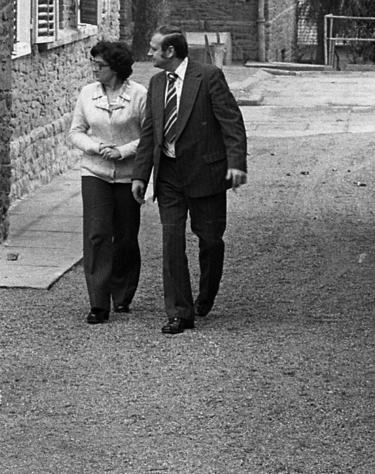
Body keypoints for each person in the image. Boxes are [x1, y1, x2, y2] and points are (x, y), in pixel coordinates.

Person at [131, 28, 248, 335]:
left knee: (210, 240)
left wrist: (236, 164)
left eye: (154, 49)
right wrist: (140, 175)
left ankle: (206, 295)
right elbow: (149, 135)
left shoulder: (208, 77)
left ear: (169, 52)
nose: (149, 54)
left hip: (205, 174)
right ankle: (180, 313)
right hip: (169, 177)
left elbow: (231, 122)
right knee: (171, 241)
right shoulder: (156, 83)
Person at [68, 39, 148, 324]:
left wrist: (123, 151)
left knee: (125, 237)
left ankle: (123, 294)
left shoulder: (140, 95)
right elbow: (76, 132)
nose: (94, 70)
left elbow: (150, 135)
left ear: (115, 68)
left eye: (99, 65)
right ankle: (98, 303)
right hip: (95, 172)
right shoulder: (87, 93)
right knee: (98, 234)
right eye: (94, 64)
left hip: (128, 175)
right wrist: (94, 147)